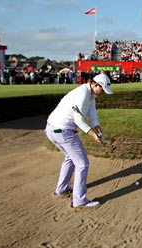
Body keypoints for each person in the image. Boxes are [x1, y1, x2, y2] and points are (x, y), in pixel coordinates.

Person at [45, 73, 113, 208]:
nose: (103, 93)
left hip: (52, 129)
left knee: (70, 158)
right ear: (95, 84)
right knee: (82, 163)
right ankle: (79, 200)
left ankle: (62, 189)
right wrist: (93, 135)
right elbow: (78, 119)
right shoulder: (83, 94)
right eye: (102, 89)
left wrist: (98, 129)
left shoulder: (91, 94)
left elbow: (92, 115)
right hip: (62, 131)